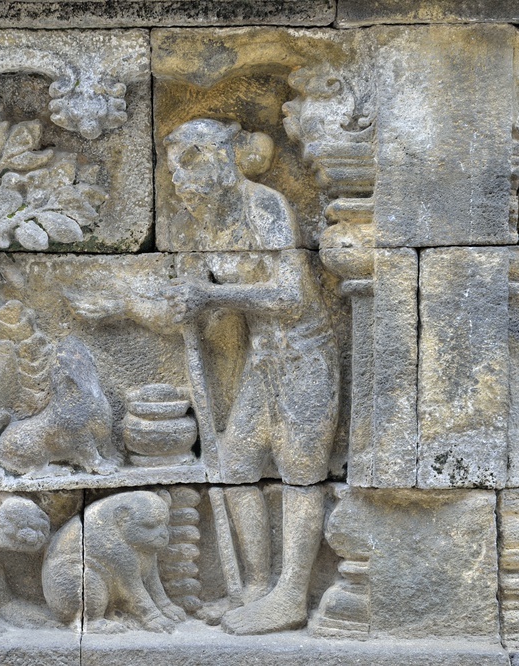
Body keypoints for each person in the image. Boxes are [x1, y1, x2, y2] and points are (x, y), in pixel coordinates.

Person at [163, 119, 339, 635]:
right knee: (237, 462)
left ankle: (291, 595)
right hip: (261, 362)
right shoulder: (205, 221)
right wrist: (191, 299)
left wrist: (212, 296)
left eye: (188, 165)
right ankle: (256, 586)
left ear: (220, 160)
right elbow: (218, 307)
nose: (179, 181)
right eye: (174, 170)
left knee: (299, 471)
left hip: (304, 357)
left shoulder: (264, 206)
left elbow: (294, 297)